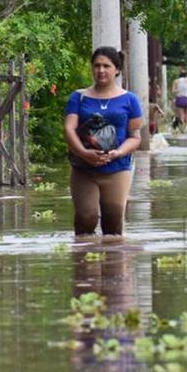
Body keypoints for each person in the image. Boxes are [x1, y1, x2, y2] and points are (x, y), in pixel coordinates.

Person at [64, 46, 142, 236]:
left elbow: (135, 136)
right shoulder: (78, 97)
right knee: (86, 218)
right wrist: (83, 153)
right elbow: (69, 128)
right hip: (84, 168)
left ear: (116, 69)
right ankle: (83, 261)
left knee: (113, 224)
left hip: (117, 168)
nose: (101, 70)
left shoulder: (130, 100)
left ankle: (114, 264)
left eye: (106, 66)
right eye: (97, 65)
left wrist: (119, 152)